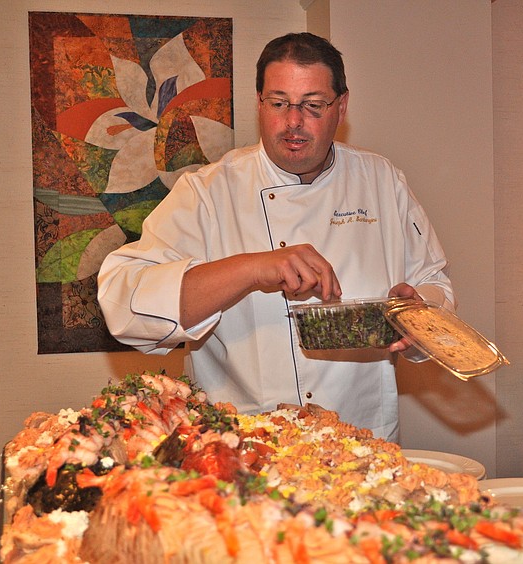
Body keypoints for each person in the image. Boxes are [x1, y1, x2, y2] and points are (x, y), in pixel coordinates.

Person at [97, 32, 455, 441]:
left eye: (313, 105)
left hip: (363, 441)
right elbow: (124, 306)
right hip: (242, 446)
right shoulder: (208, 192)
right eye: (279, 103)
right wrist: (252, 268)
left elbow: (435, 284)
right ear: (260, 103)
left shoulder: (381, 181)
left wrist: (419, 313)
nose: (293, 122)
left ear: (342, 106)